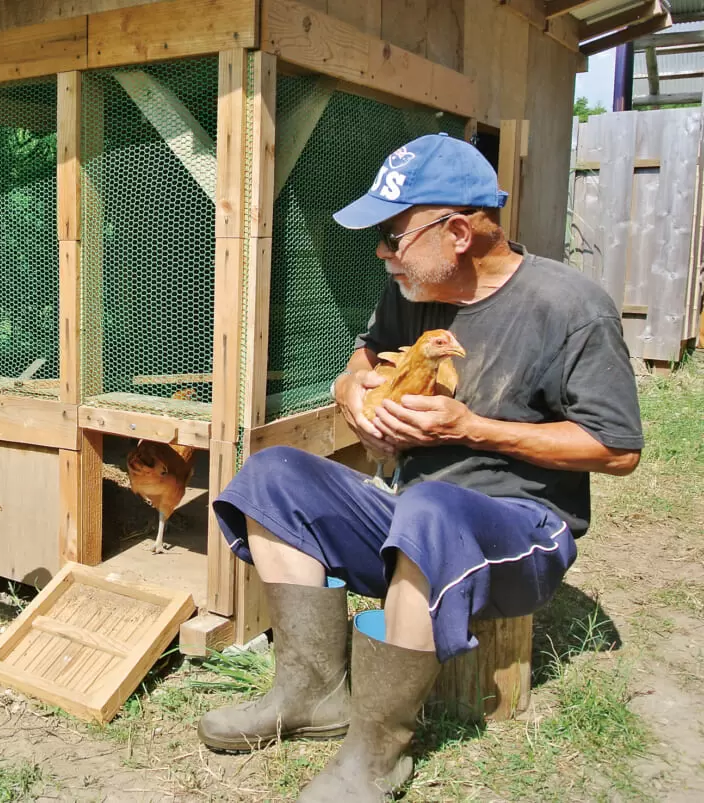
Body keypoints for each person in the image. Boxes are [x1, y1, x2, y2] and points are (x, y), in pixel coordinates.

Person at [197, 132, 644, 801]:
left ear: (458, 231)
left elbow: (618, 448)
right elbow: (366, 354)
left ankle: (377, 753)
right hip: (410, 510)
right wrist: (351, 392)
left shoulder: (571, 307)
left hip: (522, 531)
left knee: (432, 508)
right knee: (273, 475)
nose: (382, 251)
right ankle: (311, 691)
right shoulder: (413, 288)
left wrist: (472, 427)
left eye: (393, 234)